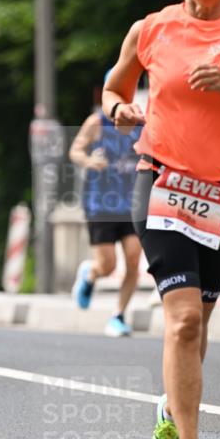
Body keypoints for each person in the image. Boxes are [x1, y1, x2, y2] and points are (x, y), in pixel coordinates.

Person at [103, 0, 220, 439]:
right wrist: (120, 109)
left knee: (196, 328)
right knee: (179, 321)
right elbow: (114, 86)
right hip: (162, 184)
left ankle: (170, 416)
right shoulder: (152, 29)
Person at [69, 71, 143, 336]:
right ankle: (91, 274)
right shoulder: (97, 122)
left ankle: (119, 315)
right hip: (100, 204)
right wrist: (89, 161)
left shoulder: (142, 123)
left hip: (132, 205)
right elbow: (75, 150)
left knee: (133, 259)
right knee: (108, 265)